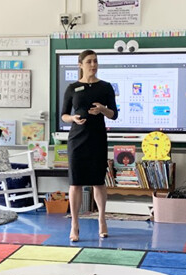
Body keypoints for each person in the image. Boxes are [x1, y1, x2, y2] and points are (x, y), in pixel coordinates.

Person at [60, 49, 118, 242]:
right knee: (75, 183)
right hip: (77, 139)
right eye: (89, 62)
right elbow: (63, 115)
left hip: (97, 138)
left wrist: (102, 109)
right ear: (80, 65)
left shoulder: (106, 87)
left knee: (98, 182)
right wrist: (73, 118)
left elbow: (114, 114)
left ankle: (102, 220)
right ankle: (74, 224)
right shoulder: (72, 88)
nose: (93, 65)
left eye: (95, 61)